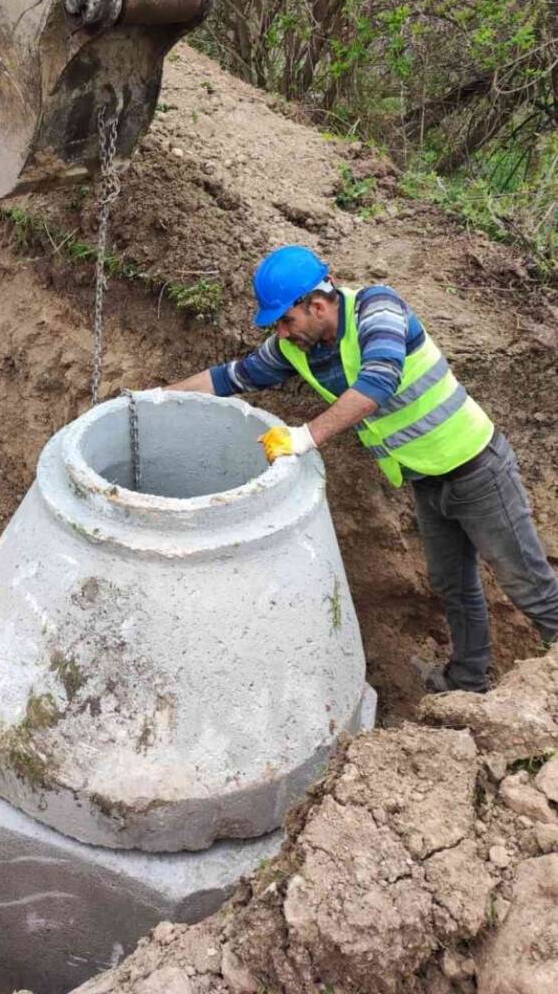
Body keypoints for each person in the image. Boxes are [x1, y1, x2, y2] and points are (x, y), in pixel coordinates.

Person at [167, 244, 558, 694]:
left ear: (316, 305)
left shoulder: (379, 308)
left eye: (286, 320)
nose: (281, 331)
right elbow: (227, 378)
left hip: (477, 468)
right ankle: (467, 682)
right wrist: (155, 396)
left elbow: (378, 381)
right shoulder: (294, 347)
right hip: (426, 480)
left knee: (528, 586)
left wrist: (304, 437)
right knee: (453, 585)